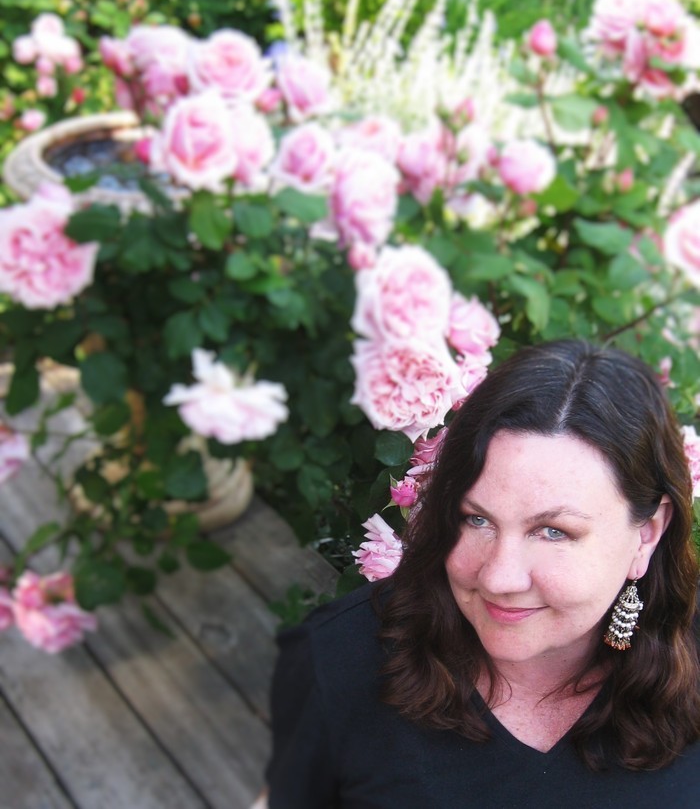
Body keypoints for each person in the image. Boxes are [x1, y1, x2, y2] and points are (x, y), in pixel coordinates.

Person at [264, 339, 700, 808]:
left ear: (647, 534)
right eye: (476, 519)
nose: (498, 578)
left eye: (553, 531)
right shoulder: (337, 663)